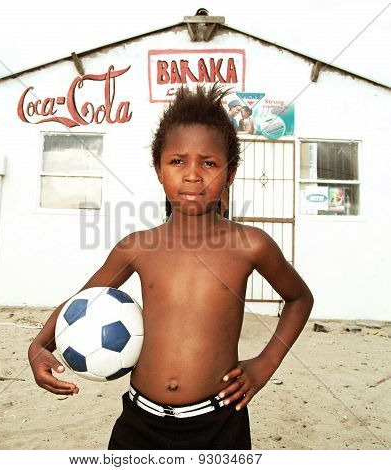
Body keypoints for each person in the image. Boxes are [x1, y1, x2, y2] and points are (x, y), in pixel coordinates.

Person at [28, 84, 314, 450]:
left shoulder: (250, 244)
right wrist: (39, 345)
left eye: (209, 163)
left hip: (220, 421)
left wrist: (264, 364)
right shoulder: (138, 247)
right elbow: (82, 302)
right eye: (178, 161)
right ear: (159, 170)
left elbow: (299, 299)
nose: (193, 175)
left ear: (230, 173)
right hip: (140, 421)